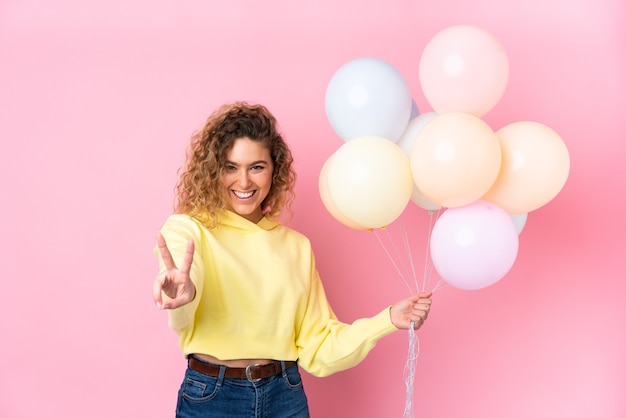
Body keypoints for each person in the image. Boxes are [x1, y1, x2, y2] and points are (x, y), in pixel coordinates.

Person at [153, 101, 433, 418]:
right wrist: (181, 290)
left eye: (256, 167)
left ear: (275, 169)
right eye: (231, 167)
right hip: (213, 397)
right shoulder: (189, 229)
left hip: (284, 396)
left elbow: (319, 347)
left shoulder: (296, 247)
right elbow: (181, 282)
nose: (243, 182)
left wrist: (388, 320)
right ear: (213, 171)